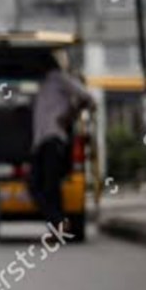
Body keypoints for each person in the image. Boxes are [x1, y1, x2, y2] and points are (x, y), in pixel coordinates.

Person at [31, 68, 95, 234]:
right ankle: (58, 224)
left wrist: (69, 115)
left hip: (54, 139)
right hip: (40, 143)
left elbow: (87, 98)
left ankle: (58, 223)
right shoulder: (42, 86)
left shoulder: (58, 78)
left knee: (48, 186)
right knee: (39, 185)